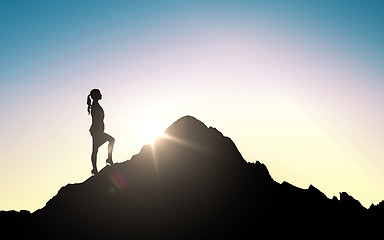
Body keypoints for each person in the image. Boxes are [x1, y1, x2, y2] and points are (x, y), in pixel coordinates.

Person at [87, 89, 115, 175]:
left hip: (96, 130)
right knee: (110, 140)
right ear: (96, 96)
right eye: (99, 94)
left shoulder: (95, 105)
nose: (101, 95)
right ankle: (105, 162)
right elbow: (97, 119)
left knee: (95, 149)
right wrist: (99, 130)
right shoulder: (95, 106)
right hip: (96, 131)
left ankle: (95, 168)